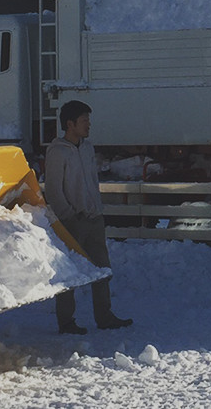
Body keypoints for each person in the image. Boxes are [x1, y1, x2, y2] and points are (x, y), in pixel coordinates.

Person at [44, 99, 133, 335]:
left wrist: (98, 209)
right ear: (70, 124)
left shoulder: (87, 147)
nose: (88, 125)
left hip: (94, 219)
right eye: (84, 121)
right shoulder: (57, 153)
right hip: (73, 221)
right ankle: (66, 321)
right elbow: (53, 190)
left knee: (103, 269)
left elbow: (92, 181)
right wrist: (69, 216)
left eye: (88, 120)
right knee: (69, 273)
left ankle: (104, 316)